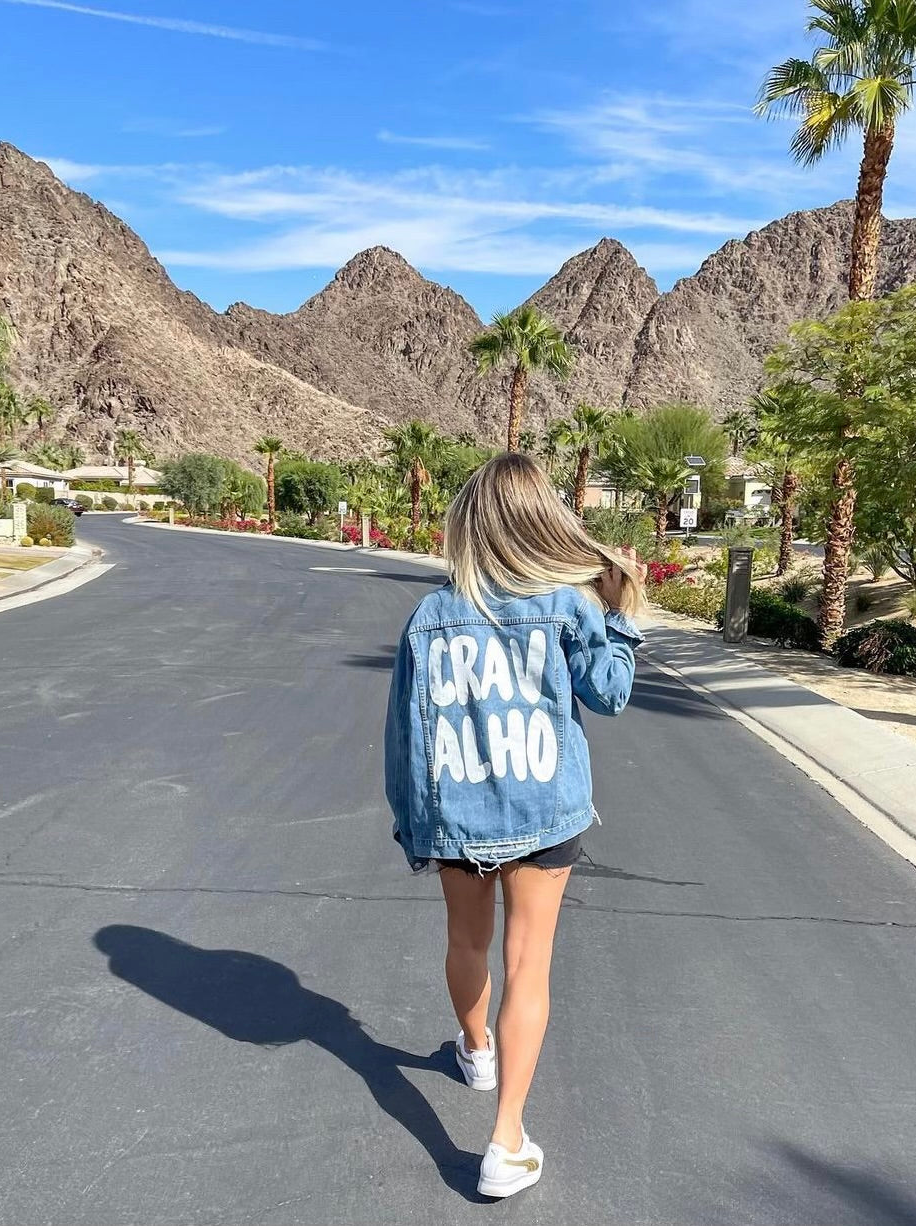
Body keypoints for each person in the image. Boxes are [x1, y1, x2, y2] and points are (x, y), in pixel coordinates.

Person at [384, 452, 645, 1198]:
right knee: (529, 964)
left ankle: (475, 1050)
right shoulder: (571, 604)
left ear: (470, 525)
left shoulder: (429, 616)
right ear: (544, 522)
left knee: (466, 942)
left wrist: (414, 821)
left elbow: (406, 734)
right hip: (545, 815)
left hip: (457, 816)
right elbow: (610, 695)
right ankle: (505, 1143)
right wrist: (622, 611)